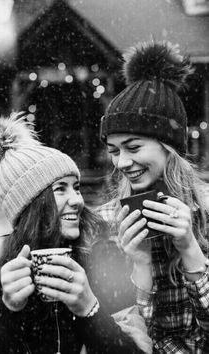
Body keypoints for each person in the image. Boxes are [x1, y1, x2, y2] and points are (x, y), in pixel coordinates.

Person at [0, 114, 150, 353]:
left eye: (76, 188)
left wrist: (89, 309)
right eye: (60, 189)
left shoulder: (103, 255)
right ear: (30, 205)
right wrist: (9, 310)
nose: (77, 200)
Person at [97, 40, 209, 353]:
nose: (122, 163)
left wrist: (190, 249)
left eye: (133, 147)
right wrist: (140, 266)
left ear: (169, 147)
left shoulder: (207, 213)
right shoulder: (105, 223)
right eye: (114, 151)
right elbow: (120, 341)